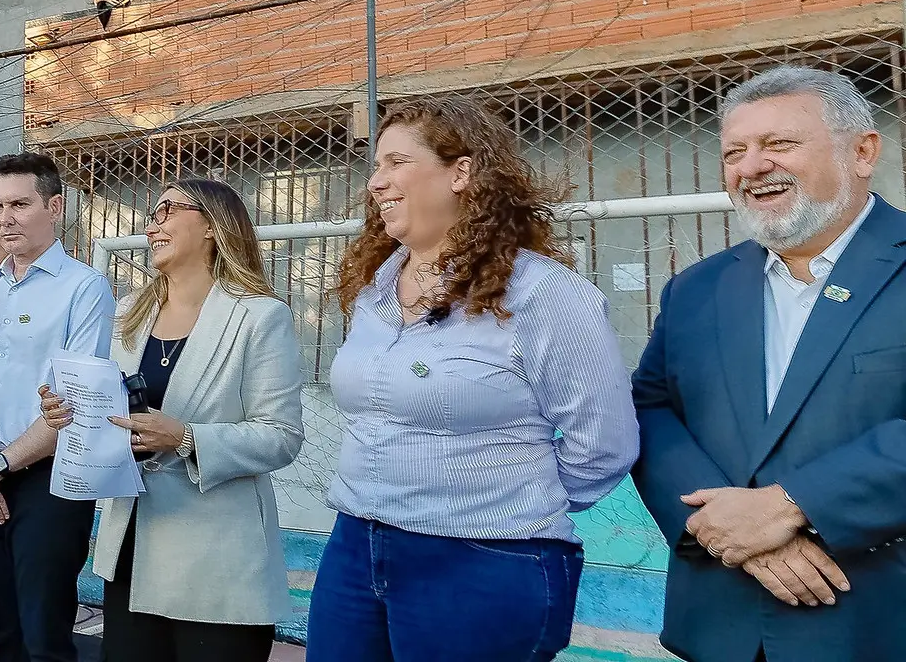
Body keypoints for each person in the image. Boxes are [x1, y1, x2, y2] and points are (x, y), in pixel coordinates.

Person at [304, 97, 638, 662]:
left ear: (461, 172)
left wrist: (501, 505)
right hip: (356, 546)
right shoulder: (374, 293)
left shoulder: (543, 293)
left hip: (483, 559)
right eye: (375, 167)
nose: (376, 184)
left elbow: (603, 445)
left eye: (396, 163)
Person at [634, 67, 906, 662]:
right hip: (722, 620)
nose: (752, 167)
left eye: (779, 144)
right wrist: (726, 529)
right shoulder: (696, 290)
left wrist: (795, 504)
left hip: (876, 619)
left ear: (863, 152)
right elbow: (650, 410)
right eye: (736, 151)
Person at [41, 179, 303, 660]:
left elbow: (281, 436)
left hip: (216, 560)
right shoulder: (129, 317)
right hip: (133, 550)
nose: (152, 222)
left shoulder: (259, 317)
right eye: (151, 213)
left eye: (166, 210)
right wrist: (72, 415)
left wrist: (186, 438)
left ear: (211, 225)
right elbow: (116, 416)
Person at [0, 153, 114, 662]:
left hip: (48, 479)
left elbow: (70, 405)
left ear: (54, 207)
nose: (5, 217)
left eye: (20, 203)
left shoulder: (83, 287)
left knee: (43, 637)